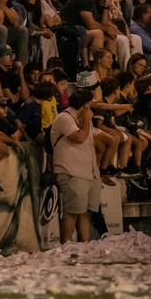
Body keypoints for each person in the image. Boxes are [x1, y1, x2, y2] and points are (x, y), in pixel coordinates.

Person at [51, 87, 101, 243]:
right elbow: (79, 138)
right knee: (72, 212)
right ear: (85, 105)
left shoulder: (84, 120)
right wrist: (87, 120)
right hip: (71, 172)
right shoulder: (64, 118)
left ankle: (84, 246)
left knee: (84, 212)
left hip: (87, 172)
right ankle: (66, 245)